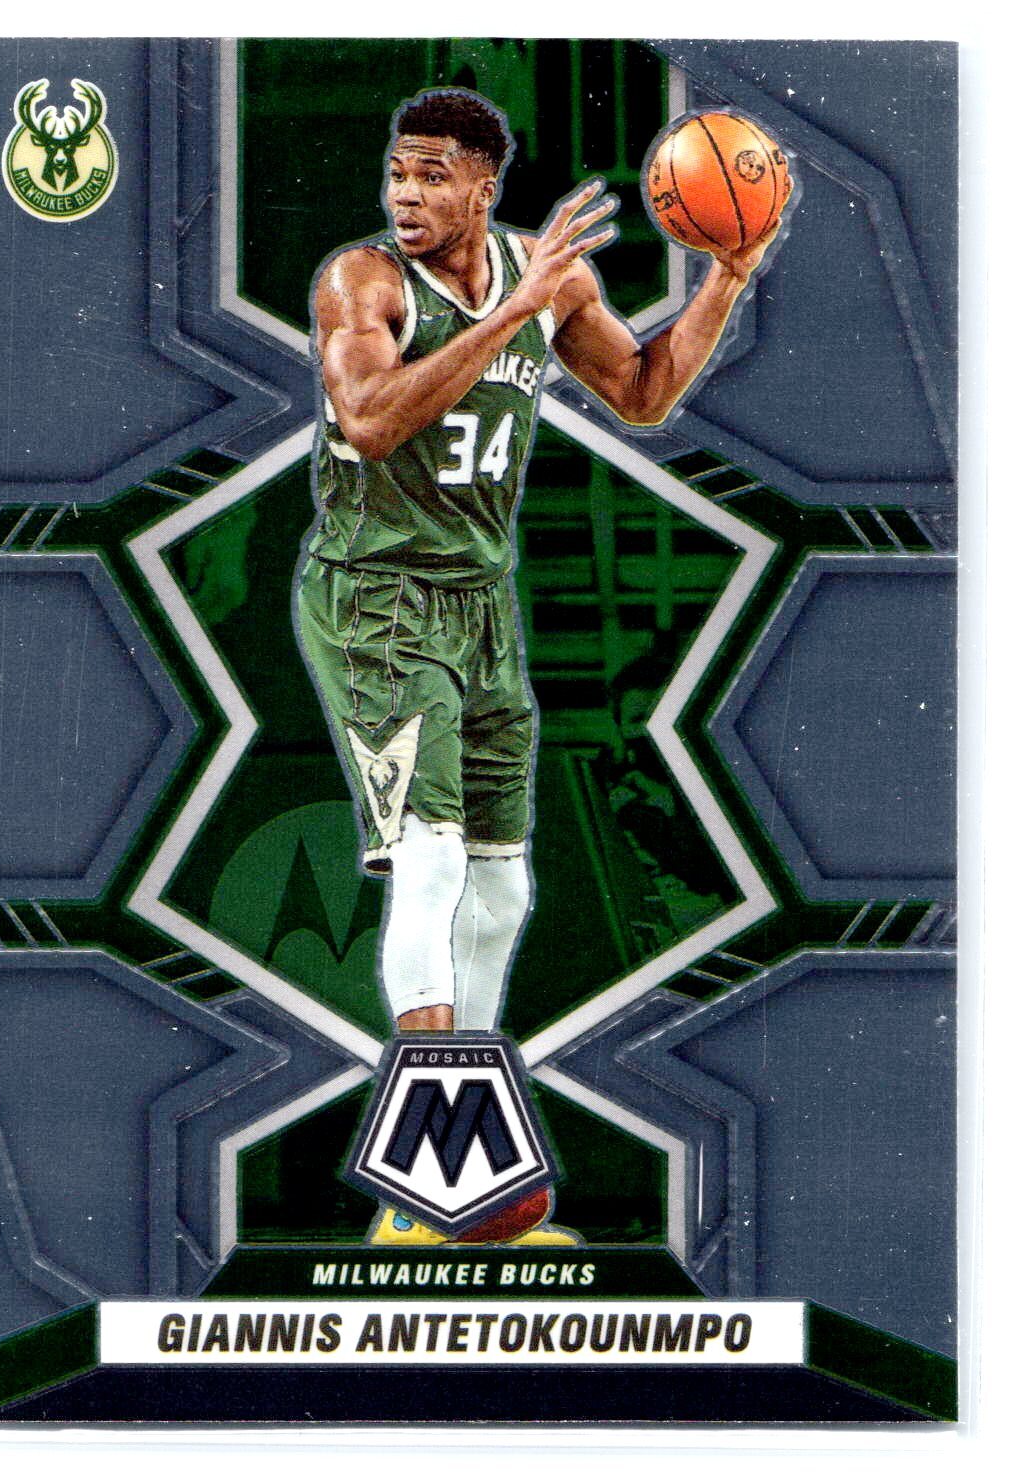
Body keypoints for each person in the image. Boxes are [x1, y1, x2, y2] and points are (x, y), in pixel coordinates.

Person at [295, 89, 779, 1245]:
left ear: (483, 184)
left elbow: (645, 392)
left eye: (431, 174)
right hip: (374, 595)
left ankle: (438, 1173)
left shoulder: (548, 278)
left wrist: (726, 276)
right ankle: (446, 1168)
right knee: (428, 862)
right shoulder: (363, 282)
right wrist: (511, 313)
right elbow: (369, 420)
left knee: (503, 886)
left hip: (481, 603)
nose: (405, 194)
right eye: (397, 171)